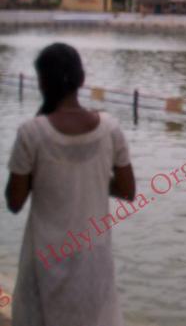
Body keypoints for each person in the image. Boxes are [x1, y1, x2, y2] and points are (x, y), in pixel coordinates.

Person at [4, 43, 135, 326]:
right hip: (92, 262)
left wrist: (44, 175)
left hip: (44, 260)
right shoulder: (110, 129)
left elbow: (14, 202)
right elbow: (128, 191)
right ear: (81, 79)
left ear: (42, 82)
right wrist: (93, 176)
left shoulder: (31, 133)